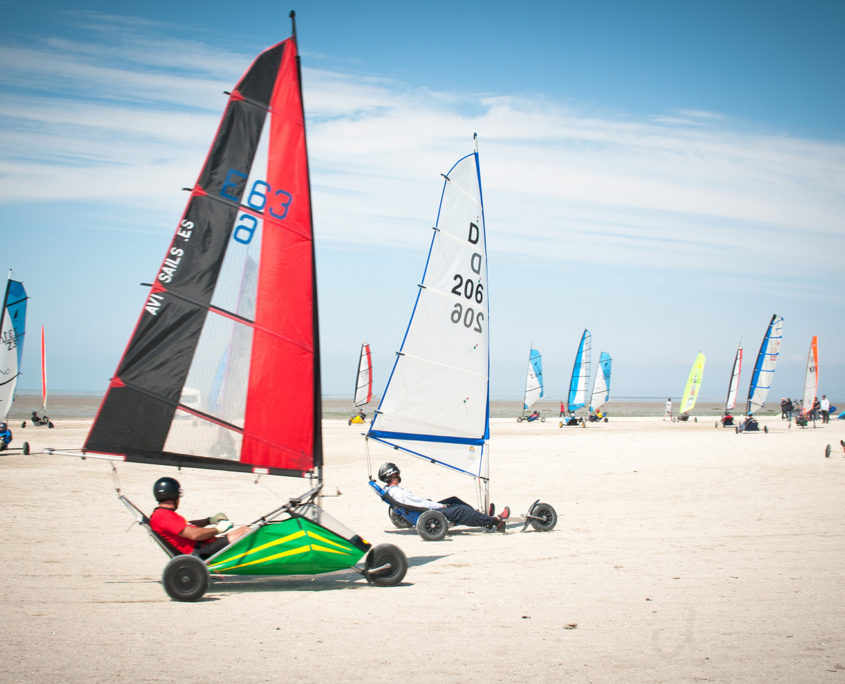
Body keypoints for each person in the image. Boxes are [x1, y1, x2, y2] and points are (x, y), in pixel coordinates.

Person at [378, 462, 509, 532]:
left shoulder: (389, 491)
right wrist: (440, 506)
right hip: (426, 511)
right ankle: (495, 521)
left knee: (454, 500)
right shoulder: (399, 493)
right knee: (461, 510)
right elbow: (422, 504)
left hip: (419, 510)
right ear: (393, 475)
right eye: (397, 473)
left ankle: (479, 515)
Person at [149, 477, 249, 559]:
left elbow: (187, 526)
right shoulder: (162, 516)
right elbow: (193, 535)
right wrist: (218, 529)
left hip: (205, 545)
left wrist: (209, 520)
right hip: (201, 552)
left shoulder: (163, 514)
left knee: (245, 529)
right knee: (248, 533)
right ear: (175, 495)